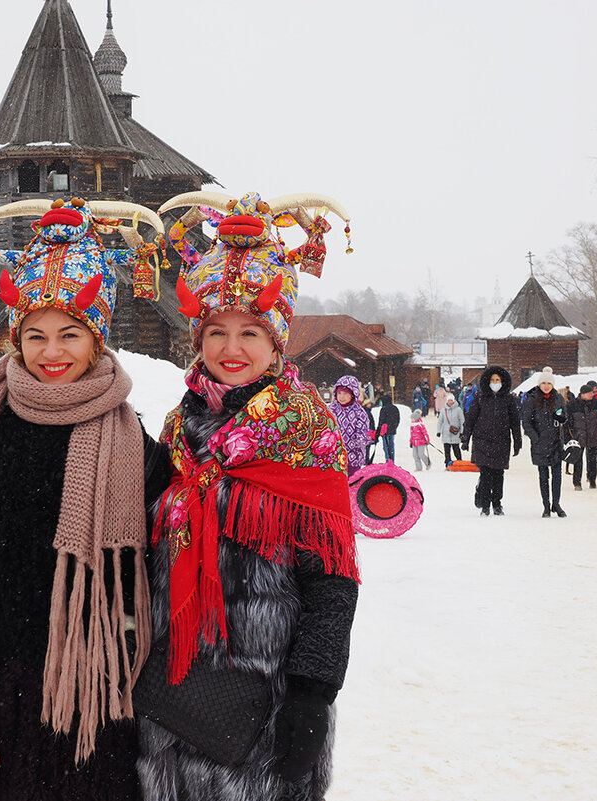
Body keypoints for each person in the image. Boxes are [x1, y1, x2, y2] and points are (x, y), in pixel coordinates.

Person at [0, 196, 171, 801]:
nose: (52, 353)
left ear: (97, 340)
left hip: (88, 691)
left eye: (71, 334)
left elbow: (146, 568)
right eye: (36, 335)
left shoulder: (134, 445)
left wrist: (120, 655)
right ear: (15, 337)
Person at [142, 191, 359, 801]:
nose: (230, 349)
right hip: (171, 691)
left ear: (277, 341)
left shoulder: (306, 430)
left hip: (266, 706)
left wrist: (313, 694)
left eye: (248, 332)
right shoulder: (178, 428)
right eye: (215, 331)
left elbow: (334, 581)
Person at [462, 366, 521, 516]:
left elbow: (515, 422)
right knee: (486, 473)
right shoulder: (480, 398)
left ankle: (497, 503)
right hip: (483, 440)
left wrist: (517, 441)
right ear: (488, 381)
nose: (495, 382)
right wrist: (465, 438)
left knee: (498, 474)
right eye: (493, 380)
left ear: (503, 382)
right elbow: (471, 419)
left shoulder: (508, 400)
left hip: (502, 441)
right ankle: (485, 505)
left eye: (498, 380)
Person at [522, 366, 567, 517]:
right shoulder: (532, 399)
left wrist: (561, 418)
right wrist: (536, 438)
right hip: (540, 444)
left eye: (549, 383)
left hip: (555, 443)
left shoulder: (559, 398)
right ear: (540, 385)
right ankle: (546, 505)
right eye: (544, 383)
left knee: (557, 476)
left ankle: (556, 503)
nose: (546, 386)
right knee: (543, 476)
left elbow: (564, 417)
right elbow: (526, 422)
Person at [566, 384, 597, 490]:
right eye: (590, 393)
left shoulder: (596, 403)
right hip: (577, 437)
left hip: (593, 435)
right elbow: (567, 422)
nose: (592, 395)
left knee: (592, 460)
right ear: (583, 394)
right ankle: (577, 483)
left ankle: (592, 480)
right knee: (577, 460)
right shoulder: (573, 405)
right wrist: (567, 437)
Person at [330, 374, 372, 476]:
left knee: (351, 485)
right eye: (339, 393)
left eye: (345, 393)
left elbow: (362, 433)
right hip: (332, 458)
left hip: (353, 458)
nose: (341, 397)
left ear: (353, 394)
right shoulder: (331, 410)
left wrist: (361, 440)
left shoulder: (359, 412)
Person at [437, 392, 465, 465]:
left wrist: (462, 431)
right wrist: (438, 431)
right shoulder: (443, 410)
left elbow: (462, 421)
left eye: (451, 400)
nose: (450, 402)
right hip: (446, 433)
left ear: (454, 401)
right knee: (447, 450)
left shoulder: (458, 410)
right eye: (449, 400)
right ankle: (448, 462)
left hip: (455, 433)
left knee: (456, 449)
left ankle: (459, 462)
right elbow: (440, 421)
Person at [374, 393, 400, 462]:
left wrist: (378, 431)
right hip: (392, 429)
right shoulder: (395, 408)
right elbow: (398, 419)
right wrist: (395, 427)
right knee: (391, 445)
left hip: (385, 431)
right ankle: (392, 460)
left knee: (386, 446)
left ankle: (388, 460)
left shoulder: (384, 409)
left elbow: (381, 421)